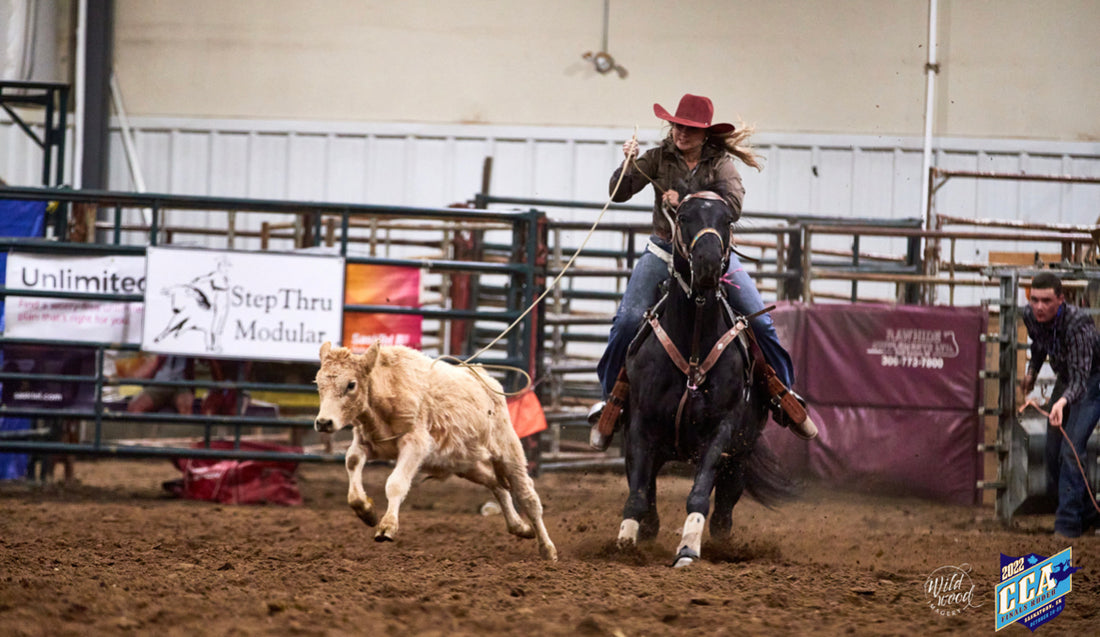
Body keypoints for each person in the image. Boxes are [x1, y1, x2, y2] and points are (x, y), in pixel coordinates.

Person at [588, 93, 818, 450]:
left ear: (704, 134)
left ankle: (782, 394)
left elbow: (733, 205)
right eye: (678, 126)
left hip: (712, 256)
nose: (682, 133)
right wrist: (628, 165)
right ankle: (611, 402)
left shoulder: (720, 163)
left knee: (758, 321)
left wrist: (687, 200)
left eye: (690, 129)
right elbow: (619, 193)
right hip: (664, 250)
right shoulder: (657, 157)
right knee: (629, 321)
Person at [1019, 271, 1100, 539]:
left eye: (1047, 301)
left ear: (1061, 300)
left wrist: (1062, 402)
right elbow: (1040, 345)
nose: (1039, 307)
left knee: (1070, 449)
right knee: (1054, 452)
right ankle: (1089, 515)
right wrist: (1032, 371)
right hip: (1068, 379)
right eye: (1035, 300)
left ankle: (1067, 525)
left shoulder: (1079, 325)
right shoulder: (1031, 316)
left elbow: (1081, 379)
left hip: (1091, 380)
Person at [126, 354, 195, 415]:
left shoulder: (190, 343)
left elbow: (203, 358)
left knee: (186, 408)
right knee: (135, 407)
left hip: (181, 384)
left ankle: (183, 429)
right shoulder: (160, 343)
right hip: (159, 382)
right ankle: (141, 429)